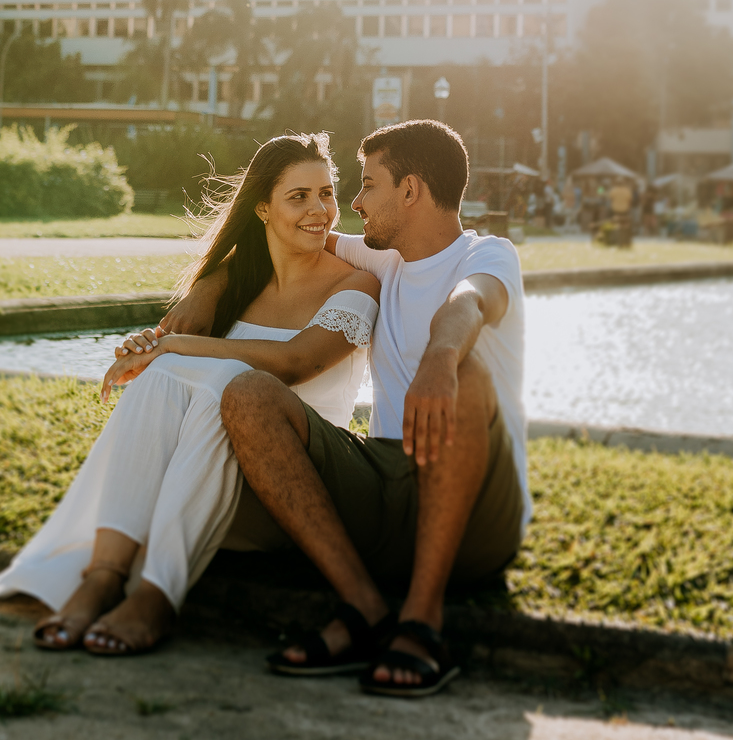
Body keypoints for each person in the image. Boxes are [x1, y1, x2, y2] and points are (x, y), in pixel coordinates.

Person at [0, 133, 379, 657]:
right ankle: (104, 577)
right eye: (299, 196)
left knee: (219, 383)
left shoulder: (356, 286)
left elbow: (296, 364)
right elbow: (177, 363)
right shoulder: (234, 281)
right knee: (166, 375)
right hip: (199, 481)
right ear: (263, 210)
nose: (320, 210)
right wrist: (158, 348)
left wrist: (175, 345)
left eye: (327, 193)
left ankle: (157, 592)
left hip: (288, 487)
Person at [166, 118, 527, 699]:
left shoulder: (487, 255)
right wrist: (209, 287)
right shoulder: (384, 260)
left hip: (477, 507)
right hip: (386, 484)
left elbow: (471, 302)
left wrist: (440, 354)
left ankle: (422, 622)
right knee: (249, 393)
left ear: (409, 191)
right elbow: (288, 237)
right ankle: (363, 609)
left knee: (469, 372)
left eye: (368, 185)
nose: (351, 203)